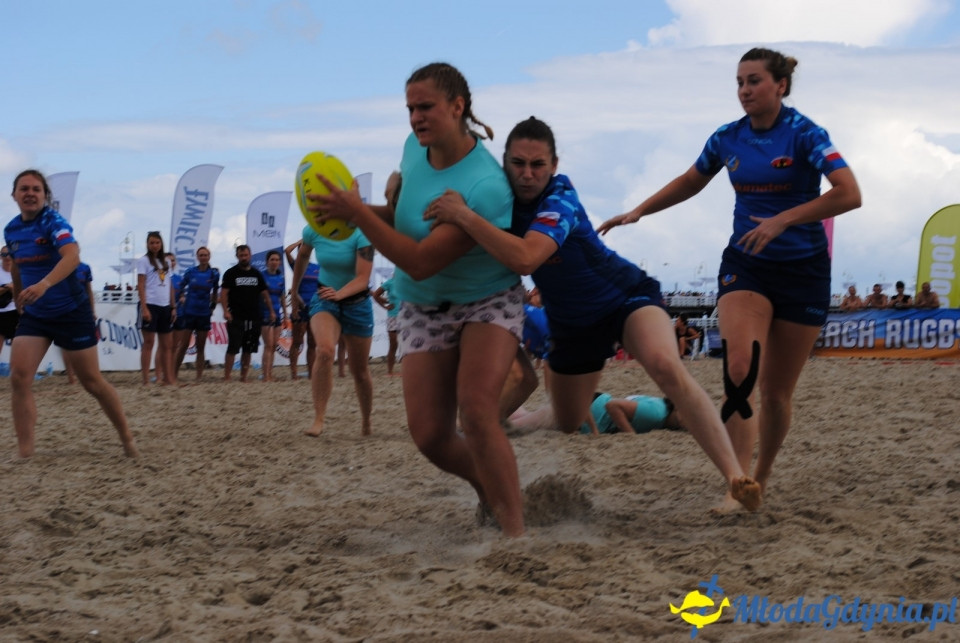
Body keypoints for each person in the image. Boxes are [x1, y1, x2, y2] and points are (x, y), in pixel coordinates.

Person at [427, 116, 760, 514]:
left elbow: (527, 255)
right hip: (570, 326)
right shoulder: (496, 201)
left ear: (554, 164)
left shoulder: (560, 196)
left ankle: (735, 479)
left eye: (538, 165)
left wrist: (463, 215)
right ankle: (514, 423)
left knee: (666, 366)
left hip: (624, 296)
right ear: (505, 163)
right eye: (519, 164)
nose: (529, 174)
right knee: (568, 421)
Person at [598, 47, 862, 508]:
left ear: (780, 85)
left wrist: (784, 220)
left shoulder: (805, 134)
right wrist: (640, 209)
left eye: (754, 81)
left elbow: (849, 193)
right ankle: (736, 482)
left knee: (777, 394)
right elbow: (691, 179)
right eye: (739, 82)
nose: (744, 90)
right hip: (747, 265)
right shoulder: (727, 137)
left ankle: (761, 474)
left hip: (804, 272)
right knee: (739, 370)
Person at [311, 62, 526, 536]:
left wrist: (358, 217)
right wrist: (356, 211)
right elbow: (405, 217)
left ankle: (515, 534)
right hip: (423, 304)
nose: (415, 118)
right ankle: (496, 488)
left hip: (485, 299)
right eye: (410, 108)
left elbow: (422, 259)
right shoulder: (415, 149)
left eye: (425, 107)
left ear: (457, 106)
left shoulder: (484, 185)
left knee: (475, 410)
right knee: (430, 436)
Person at [6, 169, 137, 458]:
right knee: (18, 377)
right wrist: (18, 297)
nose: (30, 193)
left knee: (92, 382)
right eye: (24, 188)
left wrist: (44, 284)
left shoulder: (54, 222)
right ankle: (26, 452)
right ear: (14, 195)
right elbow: (16, 265)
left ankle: (127, 438)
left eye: (36, 189)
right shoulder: (11, 229)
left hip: (70, 310)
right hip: (37, 315)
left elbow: (72, 256)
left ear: (44, 196)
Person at [290, 209, 375, 438]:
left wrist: (340, 293)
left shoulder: (361, 232)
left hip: (356, 302)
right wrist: (295, 288)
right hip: (325, 297)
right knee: (325, 350)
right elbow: (303, 256)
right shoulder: (314, 229)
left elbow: (363, 278)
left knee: (360, 372)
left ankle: (366, 421)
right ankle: (318, 419)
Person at [220, 244, 274, 382]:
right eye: (241, 255)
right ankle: (227, 376)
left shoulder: (256, 274)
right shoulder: (230, 273)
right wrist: (225, 311)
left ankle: (243, 377)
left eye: (246, 255)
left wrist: (271, 311)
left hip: (254, 317)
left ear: (250, 256)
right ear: (237, 256)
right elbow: (224, 294)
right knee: (233, 348)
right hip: (236, 316)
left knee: (248, 348)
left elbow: (265, 294)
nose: (243, 258)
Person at [136, 231, 177, 386]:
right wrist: (144, 308)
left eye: (157, 243)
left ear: (161, 244)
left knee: (167, 345)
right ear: (147, 244)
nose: (154, 245)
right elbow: (140, 285)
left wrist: (173, 306)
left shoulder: (166, 261)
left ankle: (168, 378)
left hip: (165, 306)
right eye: (151, 243)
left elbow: (170, 285)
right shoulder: (143, 261)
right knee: (149, 343)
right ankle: (146, 379)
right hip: (150, 304)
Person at [173, 246, 219, 382]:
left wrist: (213, 307)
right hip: (189, 312)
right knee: (183, 345)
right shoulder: (190, 272)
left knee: (201, 346)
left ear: (209, 257)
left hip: (204, 313)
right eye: (201, 255)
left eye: (206, 255)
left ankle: (199, 376)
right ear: (197, 257)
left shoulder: (214, 274)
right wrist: (181, 297)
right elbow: (180, 286)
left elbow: (216, 291)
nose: (203, 257)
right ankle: (173, 375)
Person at [284, 240, 319, 380]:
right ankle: (294, 373)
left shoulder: (318, 267)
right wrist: (302, 240)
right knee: (297, 341)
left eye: (308, 248)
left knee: (312, 343)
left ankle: (311, 373)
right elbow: (287, 250)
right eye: (302, 248)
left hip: (315, 307)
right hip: (300, 308)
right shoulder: (297, 266)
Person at [63, 261, 96, 384]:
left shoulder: (85, 267)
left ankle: (88, 374)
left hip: (82, 308)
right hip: (65, 308)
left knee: (87, 342)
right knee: (66, 344)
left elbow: (89, 291)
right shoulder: (59, 265)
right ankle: (71, 376)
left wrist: (92, 310)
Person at [259, 249, 287, 382]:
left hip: (277, 314)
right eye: (272, 260)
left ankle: (270, 373)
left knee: (274, 345)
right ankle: (265, 375)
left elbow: (282, 297)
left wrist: (286, 315)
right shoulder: (262, 276)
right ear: (267, 262)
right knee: (268, 345)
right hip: (265, 314)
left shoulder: (281, 278)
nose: (275, 262)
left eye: (277, 260)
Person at [0, 246, 20, 365]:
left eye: (9, 254)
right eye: (3, 254)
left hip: (16, 311)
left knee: (17, 346)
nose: (7, 257)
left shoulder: (19, 271)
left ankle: (17, 371)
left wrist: (14, 289)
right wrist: (7, 287)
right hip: (1, 312)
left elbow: (23, 293)